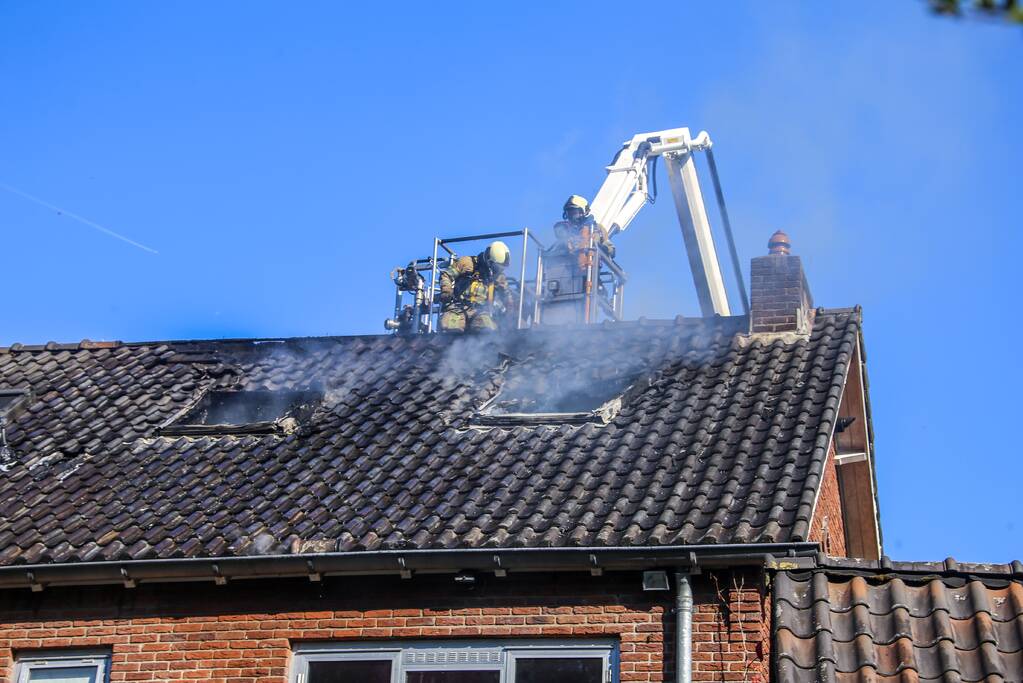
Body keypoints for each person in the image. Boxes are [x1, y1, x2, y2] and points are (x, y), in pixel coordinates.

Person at [438, 240, 515, 332]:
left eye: (501, 268)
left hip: (481, 312)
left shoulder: (499, 277)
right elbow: (446, 275)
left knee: (486, 331)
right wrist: (446, 291)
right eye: (496, 267)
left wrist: (510, 310)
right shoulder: (467, 263)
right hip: (457, 308)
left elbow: (506, 294)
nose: (498, 271)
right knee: (451, 329)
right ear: (489, 261)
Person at [552, 195, 615, 270]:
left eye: (574, 213)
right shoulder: (565, 229)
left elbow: (611, 249)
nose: (572, 216)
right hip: (567, 272)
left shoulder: (597, 229)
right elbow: (558, 231)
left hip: (591, 272)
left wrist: (603, 249)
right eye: (569, 213)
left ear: (584, 212)